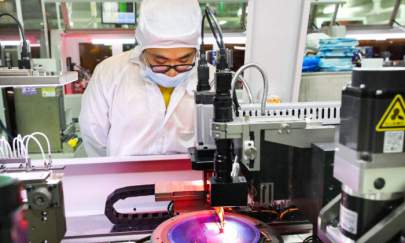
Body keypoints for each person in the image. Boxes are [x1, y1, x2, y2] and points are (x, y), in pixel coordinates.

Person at [79, 0, 202, 157]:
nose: (172, 72)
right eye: (160, 61)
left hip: (191, 178)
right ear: (143, 49)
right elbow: (93, 133)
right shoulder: (109, 73)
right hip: (124, 176)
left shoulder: (212, 78)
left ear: (196, 52)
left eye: (184, 60)